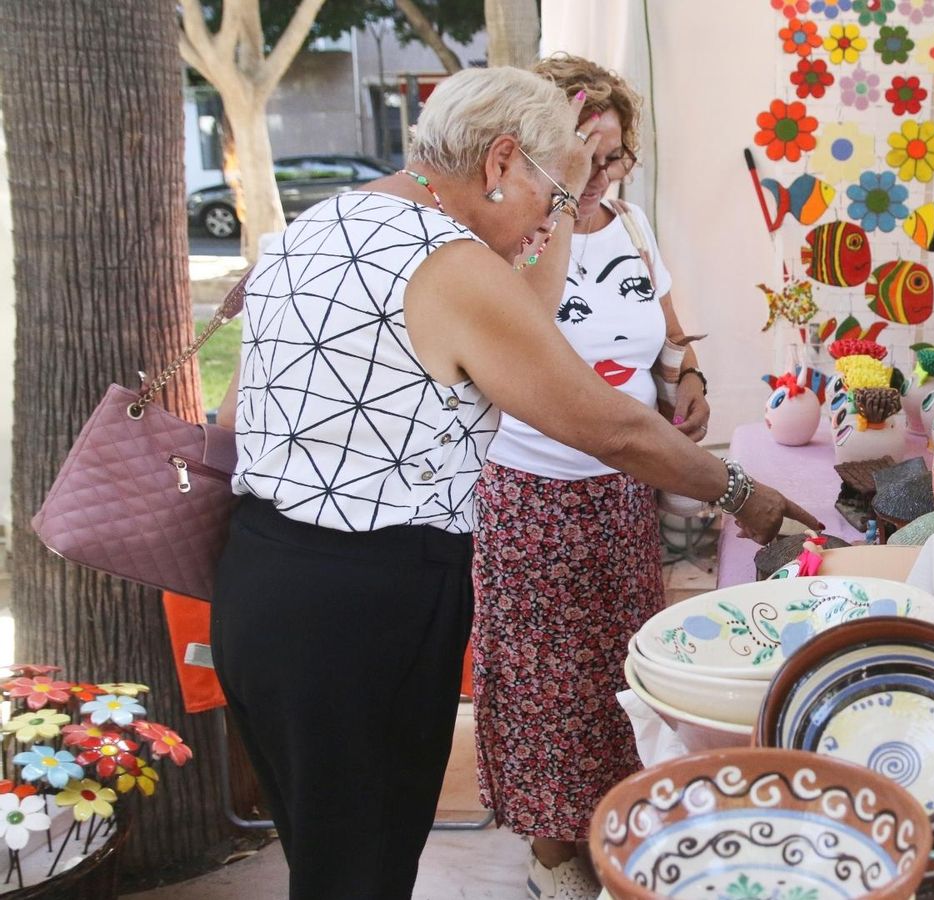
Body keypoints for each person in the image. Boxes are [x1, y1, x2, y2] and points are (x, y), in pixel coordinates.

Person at [210, 67, 821, 900]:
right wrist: (742, 492)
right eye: (551, 194)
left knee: (330, 857)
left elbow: (233, 416)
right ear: (501, 161)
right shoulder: (444, 261)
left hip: (261, 578)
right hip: (364, 603)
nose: (550, 218)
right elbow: (606, 423)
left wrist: (561, 202)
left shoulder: (319, 225)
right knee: (362, 868)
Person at [467, 54, 705, 899]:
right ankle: (549, 854)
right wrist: (561, 208)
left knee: (616, 671)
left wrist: (689, 378)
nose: (604, 175)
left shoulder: (637, 230)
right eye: (585, 158)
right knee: (542, 682)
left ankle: (611, 817)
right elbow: (523, 336)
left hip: (619, 493)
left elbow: (671, 332)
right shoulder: (506, 244)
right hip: (531, 493)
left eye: (614, 158)